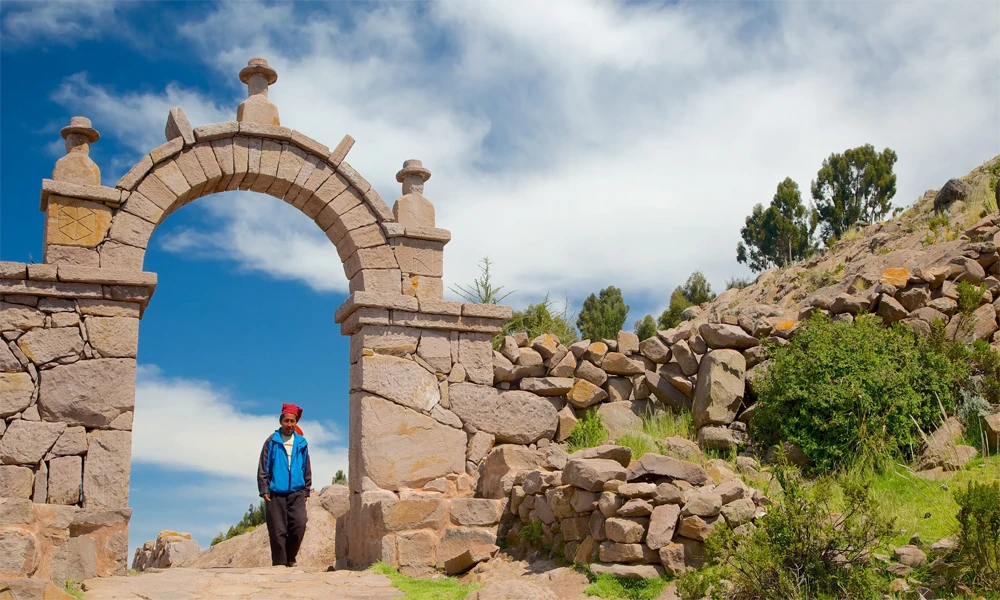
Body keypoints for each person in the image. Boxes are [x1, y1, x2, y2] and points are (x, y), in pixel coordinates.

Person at [257, 403, 312, 567]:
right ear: (281, 421)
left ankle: (291, 558)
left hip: (297, 492)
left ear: (296, 423)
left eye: (292, 421)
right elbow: (263, 466)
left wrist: (306, 490)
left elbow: (306, 467)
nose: (289, 424)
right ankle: (280, 564)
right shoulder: (271, 442)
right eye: (286, 421)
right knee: (278, 531)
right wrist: (264, 488)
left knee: (300, 525)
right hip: (276, 493)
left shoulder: (301, 443)